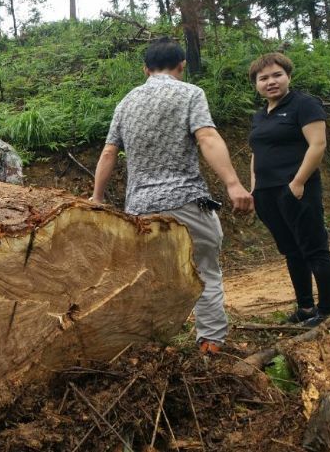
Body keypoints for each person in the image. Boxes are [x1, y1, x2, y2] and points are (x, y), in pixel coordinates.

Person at [91, 37, 253, 354]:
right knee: (204, 273)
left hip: (140, 212)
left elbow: (109, 152)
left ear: (145, 69)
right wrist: (233, 184)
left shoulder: (126, 102)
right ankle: (210, 346)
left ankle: (145, 352)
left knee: (148, 282)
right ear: (182, 66)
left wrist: (97, 197)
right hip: (187, 202)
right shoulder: (191, 93)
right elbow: (206, 135)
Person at [248, 53, 330, 327]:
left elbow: (317, 145)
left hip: (297, 188)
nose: (271, 82)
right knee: (291, 250)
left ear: (288, 76)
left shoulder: (304, 104)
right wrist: (254, 188)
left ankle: (328, 310)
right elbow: (256, 152)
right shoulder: (260, 116)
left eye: (277, 75)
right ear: (256, 84)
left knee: (314, 247)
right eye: (263, 78)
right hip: (266, 193)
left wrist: (297, 182)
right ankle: (306, 307)